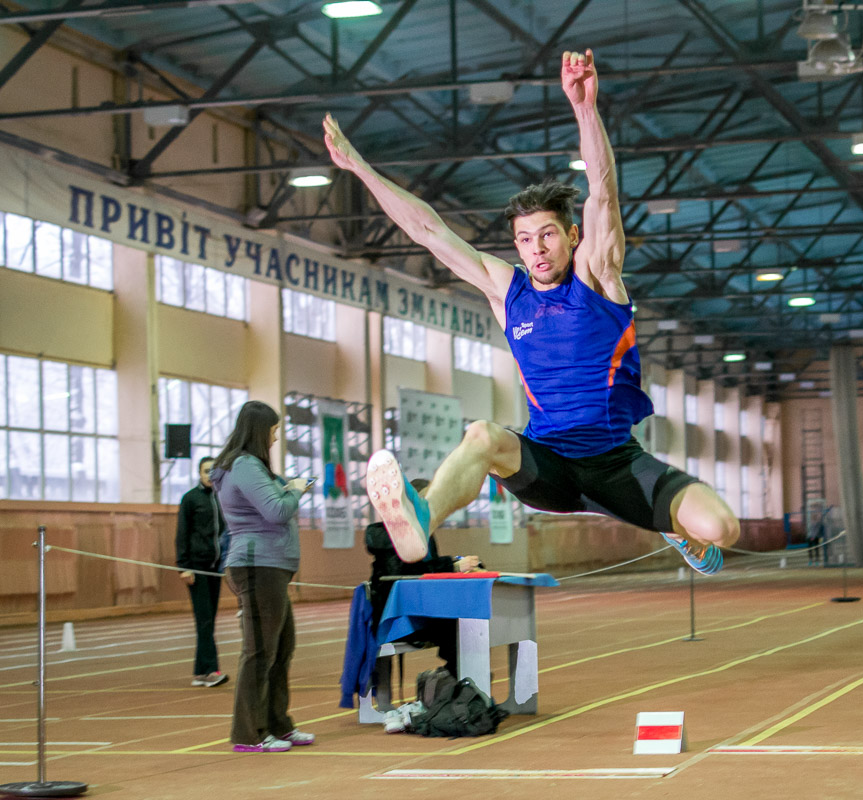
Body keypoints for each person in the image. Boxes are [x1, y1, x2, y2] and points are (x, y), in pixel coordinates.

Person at [325, 49, 738, 575]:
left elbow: (603, 197)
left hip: (617, 466)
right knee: (482, 434)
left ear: (570, 236)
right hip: (548, 466)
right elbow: (428, 231)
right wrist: (359, 168)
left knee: (723, 528)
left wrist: (586, 110)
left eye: (546, 235)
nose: (536, 248)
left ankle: (678, 530)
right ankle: (419, 521)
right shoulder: (508, 292)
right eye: (524, 240)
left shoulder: (598, 276)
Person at [210, 401, 315, 754]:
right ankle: (249, 733)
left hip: (271, 568)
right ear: (259, 430)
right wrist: (297, 489)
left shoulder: (250, 467)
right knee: (259, 652)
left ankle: (277, 724)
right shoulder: (244, 465)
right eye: (273, 430)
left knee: (281, 647)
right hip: (257, 567)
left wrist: (288, 487)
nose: (275, 437)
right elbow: (276, 510)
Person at [365, 479, 482, 733]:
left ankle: (455, 686)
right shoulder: (390, 534)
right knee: (456, 624)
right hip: (396, 618)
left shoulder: (424, 531)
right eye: (427, 500)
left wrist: (454, 563)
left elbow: (426, 570)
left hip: (420, 611)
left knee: (464, 621)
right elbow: (407, 573)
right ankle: (454, 686)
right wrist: (450, 566)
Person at [175, 456, 229, 688]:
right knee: (204, 619)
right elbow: (182, 534)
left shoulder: (222, 498)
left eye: (213, 471)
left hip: (216, 568)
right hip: (196, 567)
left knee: (208, 620)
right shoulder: (190, 499)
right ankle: (209, 671)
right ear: (199, 473)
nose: (209, 475)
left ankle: (200, 671)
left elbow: (228, 533)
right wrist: (184, 566)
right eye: (206, 471)